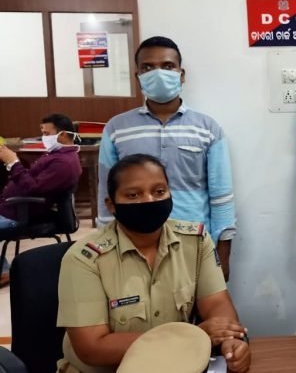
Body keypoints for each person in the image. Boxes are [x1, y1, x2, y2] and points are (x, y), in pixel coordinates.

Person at [57, 154, 250, 373]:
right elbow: (92, 348)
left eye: (159, 191)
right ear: (111, 205)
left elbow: (216, 304)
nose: (149, 200)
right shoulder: (83, 259)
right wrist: (190, 338)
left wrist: (229, 342)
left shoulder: (195, 241)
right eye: (133, 195)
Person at [97, 36, 237, 280]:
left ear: (182, 75)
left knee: (198, 305)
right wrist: (105, 244)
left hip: (194, 244)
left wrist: (222, 256)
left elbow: (221, 196)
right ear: (138, 76)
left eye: (168, 66)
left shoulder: (208, 128)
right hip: (133, 246)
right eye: (148, 67)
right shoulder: (116, 128)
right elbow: (105, 194)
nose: (158, 73)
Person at [0, 114, 82, 285]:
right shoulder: (57, 155)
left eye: (46, 133)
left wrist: (13, 163)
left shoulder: (63, 163)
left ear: (63, 135)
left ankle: (3, 272)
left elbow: (33, 188)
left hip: (19, 214)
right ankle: (4, 270)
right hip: (12, 208)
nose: (44, 138)